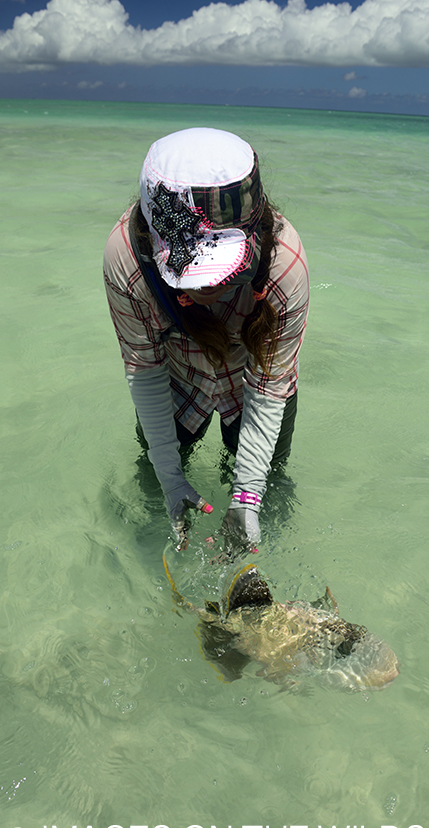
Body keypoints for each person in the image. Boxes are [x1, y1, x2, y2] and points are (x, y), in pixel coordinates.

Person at [103, 127, 309, 552]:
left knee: (270, 485)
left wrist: (247, 499)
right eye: (189, 267)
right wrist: (170, 478)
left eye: (220, 268)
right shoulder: (125, 258)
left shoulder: (286, 267)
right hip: (177, 379)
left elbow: (269, 389)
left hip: (255, 383)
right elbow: (145, 367)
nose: (207, 286)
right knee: (152, 475)